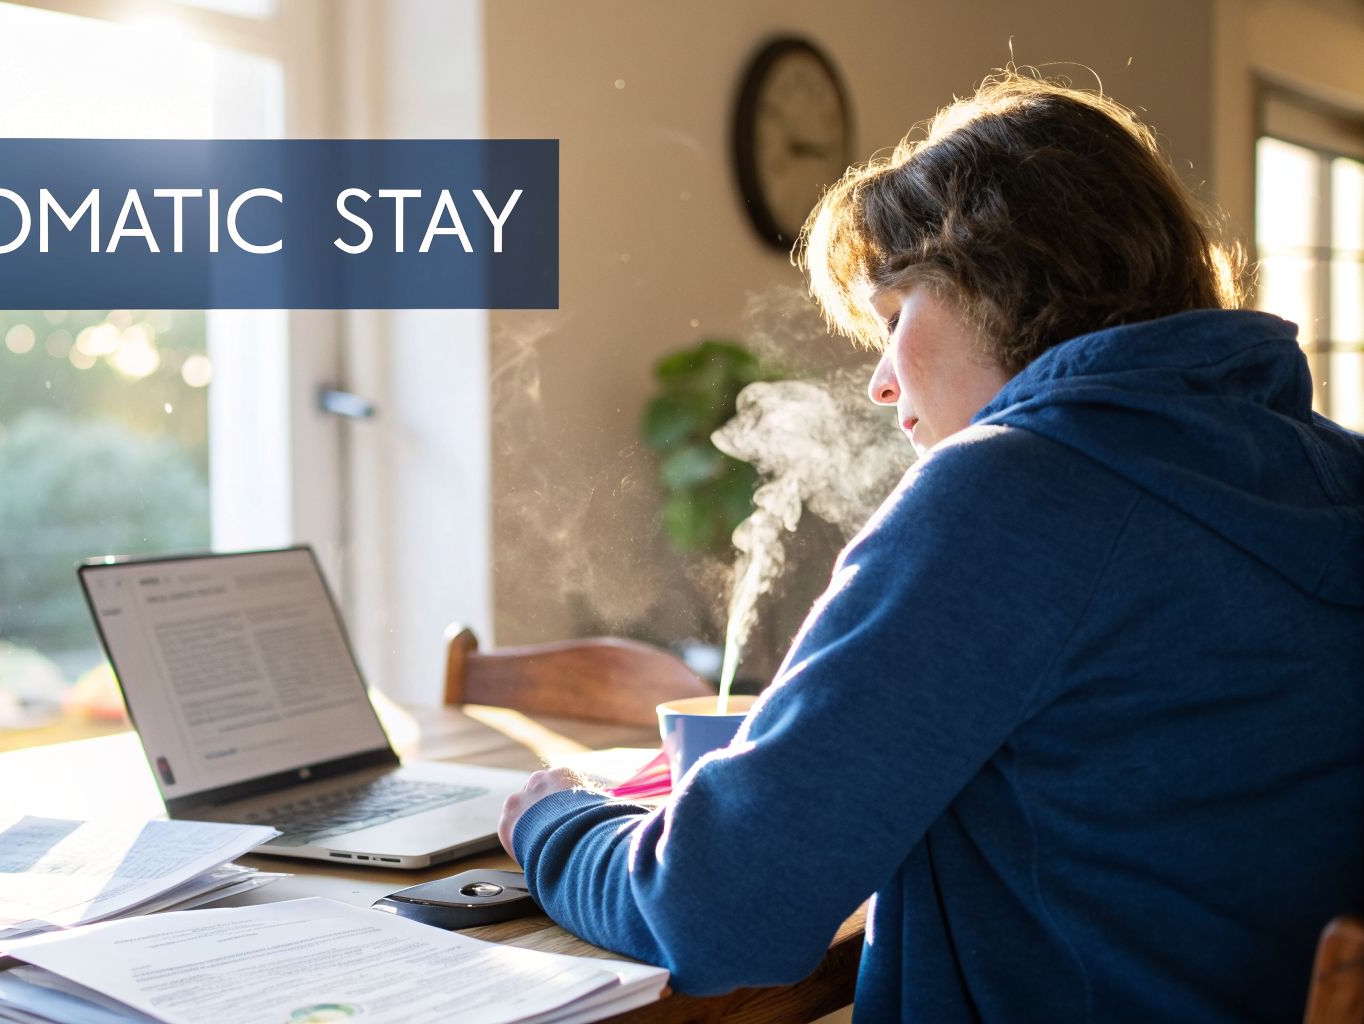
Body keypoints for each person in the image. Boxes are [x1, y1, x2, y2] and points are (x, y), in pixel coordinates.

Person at [497, 71, 1364, 1022]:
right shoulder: (1333, 473)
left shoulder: (1016, 488)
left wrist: (554, 821)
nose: (877, 384)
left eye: (894, 316)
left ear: (1002, 283)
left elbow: (716, 911)